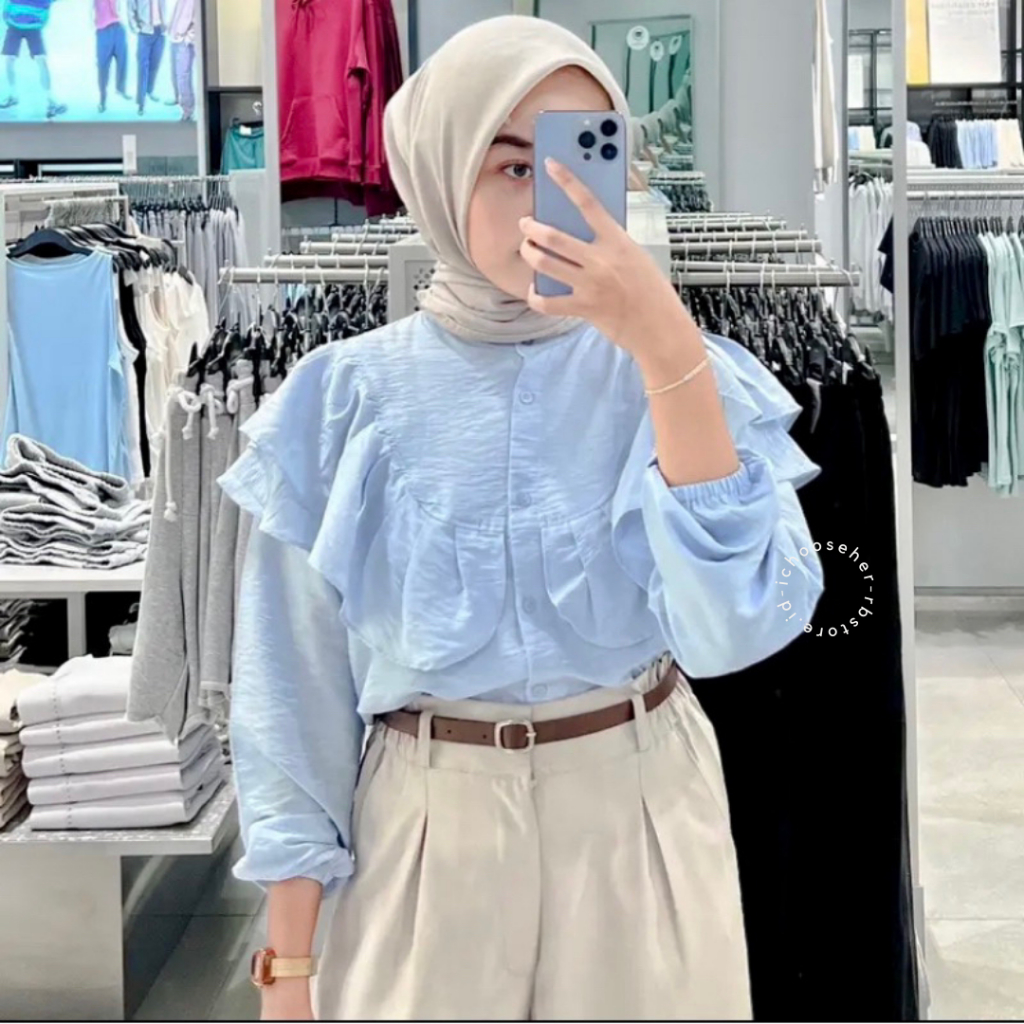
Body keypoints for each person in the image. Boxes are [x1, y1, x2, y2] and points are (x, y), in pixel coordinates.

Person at [218, 16, 825, 1023]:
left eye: (583, 161)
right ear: (437, 174)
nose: (554, 201)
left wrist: (664, 345)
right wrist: (287, 968)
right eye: (512, 167)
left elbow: (735, 631)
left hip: (640, 815)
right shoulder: (341, 398)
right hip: (423, 834)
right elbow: (290, 698)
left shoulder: (681, 373)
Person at [0, 0, 66, 119]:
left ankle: (50, 100)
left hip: (33, 28)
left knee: (40, 60)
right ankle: (12, 95)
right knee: (10, 59)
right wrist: (6, 14)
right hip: (15, 26)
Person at [126, 0, 164, 116]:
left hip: (160, 31)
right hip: (145, 32)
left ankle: (149, 90)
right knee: (143, 67)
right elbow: (130, 9)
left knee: (155, 64)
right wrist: (136, 28)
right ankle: (141, 103)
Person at [94, 0, 129, 113]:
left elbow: (119, 9)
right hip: (103, 29)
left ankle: (121, 88)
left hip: (118, 26)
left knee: (122, 60)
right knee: (103, 66)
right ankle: (102, 99)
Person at [166, 0, 193, 121]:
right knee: (175, 73)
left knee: (183, 75)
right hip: (175, 37)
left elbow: (196, 19)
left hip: (184, 40)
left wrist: (187, 36)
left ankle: (187, 110)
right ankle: (178, 98)